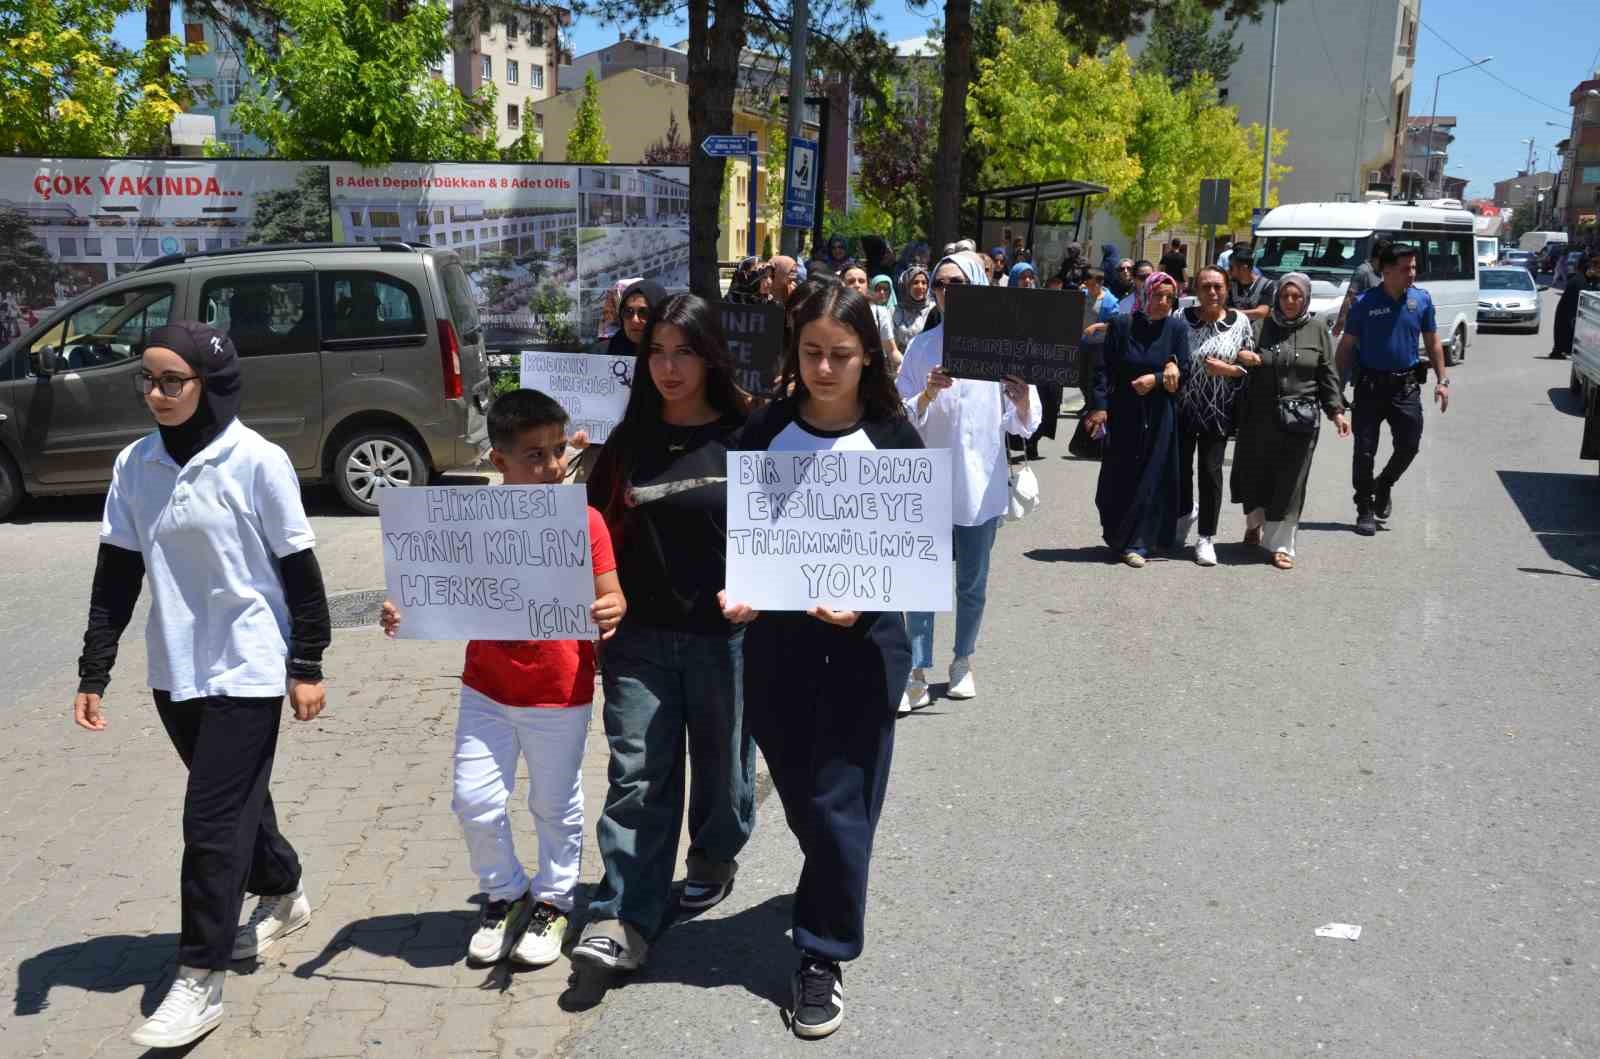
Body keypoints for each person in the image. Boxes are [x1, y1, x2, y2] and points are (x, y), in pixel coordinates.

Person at [73, 322, 330, 1049]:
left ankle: (198, 978)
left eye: (171, 381)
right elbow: (116, 574)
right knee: (239, 802)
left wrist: (307, 663)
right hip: (175, 668)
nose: (155, 394)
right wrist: (95, 669)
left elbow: (301, 573)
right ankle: (283, 888)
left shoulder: (257, 461)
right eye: (147, 380)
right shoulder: (136, 464)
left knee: (210, 823)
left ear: (210, 383)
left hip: (248, 664)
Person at [720, 284, 921, 1040]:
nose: (825, 368)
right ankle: (835, 872)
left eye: (841, 354)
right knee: (809, 802)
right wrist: (738, 588)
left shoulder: (894, 438)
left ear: (868, 355)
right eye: (811, 352)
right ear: (793, 352)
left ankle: (822, 953)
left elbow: (917, 553)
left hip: (865, 652)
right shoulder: (765, 429)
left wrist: (866, 600)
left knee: (841, 804)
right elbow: (739, 531)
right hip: (779, 649)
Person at [379, 390, 625, 969]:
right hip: (486, 690)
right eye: (535, 455)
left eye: (558, 450)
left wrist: (611, 609)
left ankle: (554, 900)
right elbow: (430, 589)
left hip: (559, 692)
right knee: (475, 800)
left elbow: (612, 594)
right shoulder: (469, 522)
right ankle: (504, 892)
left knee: (553, 803)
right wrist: (401, 611)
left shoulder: (584, 521)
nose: (553, 465)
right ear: (499, 460)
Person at [572, 293, 759, 973]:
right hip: (638, 641)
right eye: (656, 352)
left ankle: (714, 853)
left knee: (723, 772)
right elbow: (588, 533)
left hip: (723, 639)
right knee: (638, 777)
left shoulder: (749, 436)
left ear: (711, 356)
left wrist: (761, 593)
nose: (668, 368)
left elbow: (783, 530)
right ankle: (623, 914)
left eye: (683, 352)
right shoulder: (627, 443)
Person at [896, 252, 1040, 705]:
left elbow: (1025, 422)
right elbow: (900, 416)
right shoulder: (922, 348)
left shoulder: (1001, 346)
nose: (946, 292)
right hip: (928, 483)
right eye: (940, 284)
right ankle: (917, 670)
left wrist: (1020, 398)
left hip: (980, 484)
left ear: (976, 285)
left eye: (956, 283)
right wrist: (927, 392)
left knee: (972, 583)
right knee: (923, 581)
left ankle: (963, 660)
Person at [1231, 274, 1350, 568]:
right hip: (1259, 417)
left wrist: (1336, 411)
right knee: (1256, 475)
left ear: (1306, 298)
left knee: (1291, 481)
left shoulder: (1317, 329)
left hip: (1301, 419)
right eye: (1285, 296)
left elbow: (1327, 373)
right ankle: (1255, 523)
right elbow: (1236, 357)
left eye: (1297, 297)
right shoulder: (1261, 326)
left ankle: (1281, 545)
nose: (1290, 302)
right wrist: (1243, 356)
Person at [1335, 243, 1450, 537]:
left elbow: (1433, 341)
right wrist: (1336, 388)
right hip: (1370, 386)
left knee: (1409, 444)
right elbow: (1346, 347)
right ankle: (1364, 508)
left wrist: (1443, 380)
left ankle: (1384, 483)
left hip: (1405, 387)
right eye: (1405, 269)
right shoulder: (1365, 303)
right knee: (1364, 451)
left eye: (1414, 268)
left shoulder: (1421, 300)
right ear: (1386, 271)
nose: (1412, 273)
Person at [1085, 272, 1191, 567]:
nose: (1164, 302)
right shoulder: (1122, 325)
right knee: (1118, 476)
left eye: (1170, 297)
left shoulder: (1176, 329)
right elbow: (1103, 369)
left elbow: (1185, 370)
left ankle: (1139, 542)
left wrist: (1156, 378)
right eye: (1158, 295)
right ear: (1145, 295)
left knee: (1152, 476)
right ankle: (1117, 536)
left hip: (1160, 414)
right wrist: (1099, 407)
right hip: (1124, 412)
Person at [1175, 265, 1255, 566]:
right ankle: (1184, 514)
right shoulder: (1180, 318)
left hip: (1218, 411)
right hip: (1181, 408)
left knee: (1210, 472)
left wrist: (1230, 369)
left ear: (1226, 289)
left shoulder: (1240, 321)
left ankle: (1206, 537)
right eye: (1205, 286)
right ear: (1196, 290)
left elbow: (1250, 364)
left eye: (1218, 286)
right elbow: (1167, 351)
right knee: (1179, 470)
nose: (1212, 292)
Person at [841, 264, 902, 370]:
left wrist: (906, 367)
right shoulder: (835, 313)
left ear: (867, 285)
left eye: (861, 281)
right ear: (843, 284)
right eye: (851, 281)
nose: (857, 285)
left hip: (873, 373)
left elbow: (892, 350)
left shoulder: (880, 313)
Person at [1333, 239, 1389, 338]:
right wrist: (1341, 321)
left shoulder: (1384, 273)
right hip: (1362, 325)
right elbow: (1349, 297)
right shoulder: (1363, 271)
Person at [1552, 252, 1600, 359]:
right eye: (1597, 269)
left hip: (1569, 312)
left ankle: (1562, 350)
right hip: (1569, 312)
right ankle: (1561, 350)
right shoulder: (1579, 281)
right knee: (1566, 332)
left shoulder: (1583, 279)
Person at [602, 279, 668, 357]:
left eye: (644, 313)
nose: (634, 320)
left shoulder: (675, 355)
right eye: (628, 312)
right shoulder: (600, 354)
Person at [1226, 246, 1276, 323]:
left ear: (1244, 268)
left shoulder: (1266, 285)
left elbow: (1262, 312)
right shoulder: (1231, 284)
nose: (1228, 270)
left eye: (1231, 267)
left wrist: (1234, 313)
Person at [892, 265, 933, 352]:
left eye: (924, 283)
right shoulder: (896, 311)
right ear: (906, 285)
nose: (920, 286)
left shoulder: (934, 310)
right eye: (915, 282)